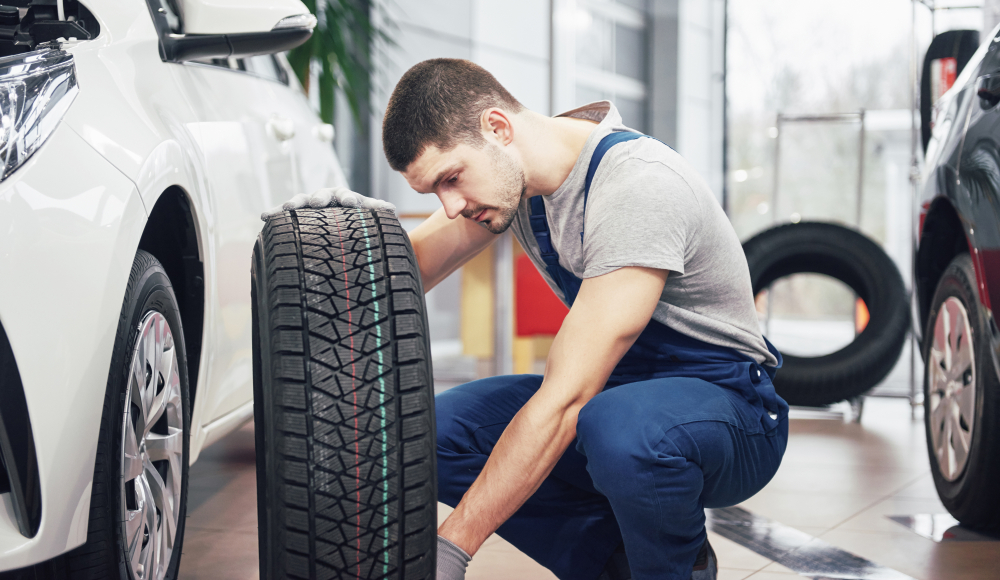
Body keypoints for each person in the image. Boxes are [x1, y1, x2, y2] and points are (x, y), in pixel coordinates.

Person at [270, 59, 789, 580]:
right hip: (615, 394)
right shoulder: (516, 183)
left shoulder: (637, 187)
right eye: (434, 192)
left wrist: (452, 548)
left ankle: (678, 565)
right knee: (436, 434)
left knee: (619, 430)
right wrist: (339, 237)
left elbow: (567, 398)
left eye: (451, 179)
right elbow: (400, 273)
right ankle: (618, 561)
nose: (449, 207)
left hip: (731, 412)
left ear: (497, 127)